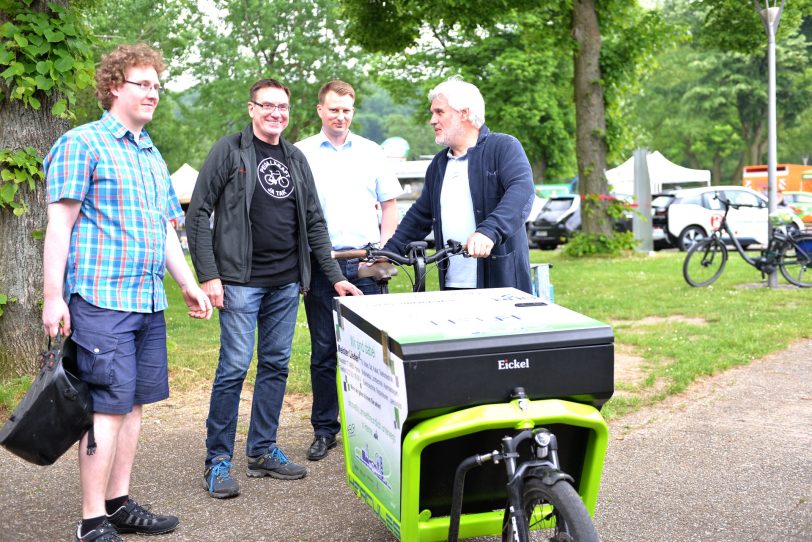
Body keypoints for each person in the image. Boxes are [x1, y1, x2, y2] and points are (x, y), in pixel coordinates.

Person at [41, 44, 213, 542]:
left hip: (147, 302)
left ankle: (117, 505)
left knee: (133, 405)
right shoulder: (83, 144)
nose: (152, 92)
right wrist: (54, 298)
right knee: (106, 408)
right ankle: (91, 520)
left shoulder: (150, 152)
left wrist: (187, 283)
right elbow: (59, 226)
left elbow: (163, 230)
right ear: (115, 85)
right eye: (142, 83)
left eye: (157, 85)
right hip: (100, 300)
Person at [185, 78, 362, 499]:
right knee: (233, 368)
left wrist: (334, 274)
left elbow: (315, 223)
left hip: (286, 283)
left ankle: (262, 450)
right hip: (241, 283)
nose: (276, 114)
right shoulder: (229, 150)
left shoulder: (296, 158)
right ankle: (218, 461)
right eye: (267, 106)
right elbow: (198, 214)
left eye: (282, 107)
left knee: (276, 366)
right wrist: (209, 275)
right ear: (251, 109)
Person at [295, 80, 403, 461]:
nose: (341, 116)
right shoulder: (300, 153)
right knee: (324, 351)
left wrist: (385, 251)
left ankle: (375, 428)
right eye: (334, 109)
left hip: (367, 263)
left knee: (371, 353)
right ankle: (325, 430)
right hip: (323, 265)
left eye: (347, 110)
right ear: (320, 110)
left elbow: (389, 205)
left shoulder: (372, 152)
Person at [384, 79, 534, 293]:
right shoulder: (439, 164)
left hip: (502, 285)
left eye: (439, 112)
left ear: (464, 113)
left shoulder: (503, 147)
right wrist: (387, 254)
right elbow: (420, 216)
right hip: (453, 286)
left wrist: (488, 232)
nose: (432, 120)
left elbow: (521, 192)